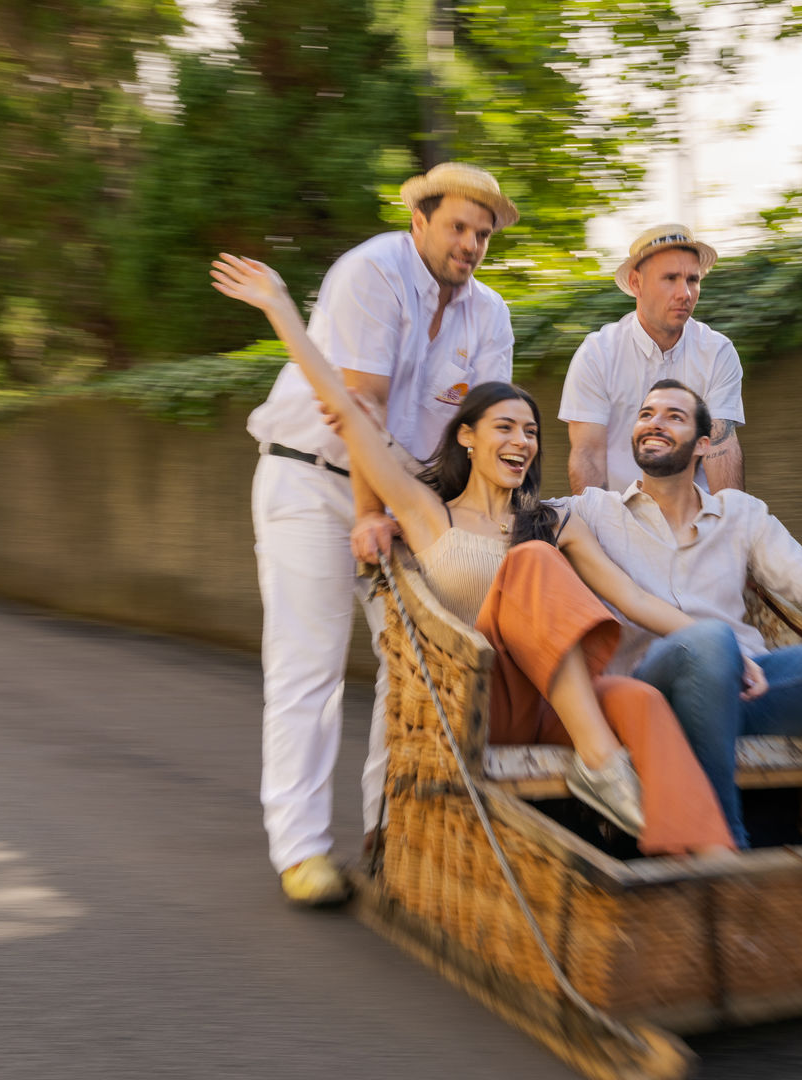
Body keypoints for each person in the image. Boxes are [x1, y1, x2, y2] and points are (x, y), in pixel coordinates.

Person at [214, 254, 736, 864]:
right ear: (467, 435)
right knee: (531, 564)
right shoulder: (424, 509)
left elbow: (636, 600)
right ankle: (601, 763)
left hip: (550, 700)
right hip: (477, 697)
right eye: (505, 427)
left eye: (531, 432)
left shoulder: (553, 521)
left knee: (640, 700)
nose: (521, 441)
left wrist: (722, 644)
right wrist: (280, 308)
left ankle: (712, 866)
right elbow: (348, 410)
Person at [240, 163, 519, 904]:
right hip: (310, 479)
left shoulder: (490, 314)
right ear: (420, 221)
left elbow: (479, 430)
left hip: (405, 498)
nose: (470, 244)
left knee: (418, 665)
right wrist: (369, 515)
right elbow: (356, 410)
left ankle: (390, 835)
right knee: (312, 662)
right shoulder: (371, 272)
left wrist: (463, 526)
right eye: (458, 226)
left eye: (483, 234)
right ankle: (301, 852)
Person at [560, 379, 802, 848]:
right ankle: (723, 842)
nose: (654, 423)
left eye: (674, 416)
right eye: (646, 414)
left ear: (703, 444)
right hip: (651, 691)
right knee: (711, 640)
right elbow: (508, 520)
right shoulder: (594, 511)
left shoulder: (740, 515)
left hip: (748, 686)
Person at [559, 224, 746, 495]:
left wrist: (732, 527)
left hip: (697, 521)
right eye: (670, 278)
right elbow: (588, 455)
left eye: (693, 280)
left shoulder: (717, 352)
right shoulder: (597, 354)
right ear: (636, 283)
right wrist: (593, 532)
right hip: (620, 518)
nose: (685, 293)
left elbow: (720, 447)